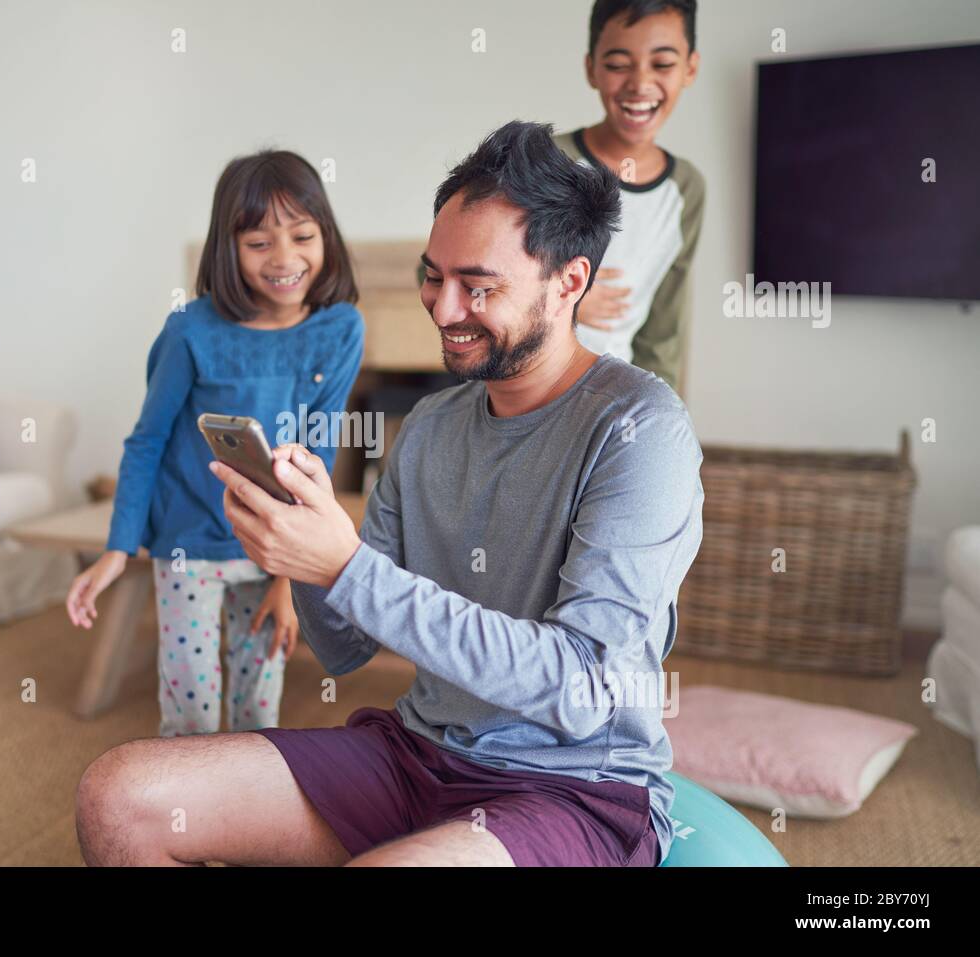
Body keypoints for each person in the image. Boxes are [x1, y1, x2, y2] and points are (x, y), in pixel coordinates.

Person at [75, 121, 703, 867]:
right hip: (416, 754)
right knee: (117, 798)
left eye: (479, 285)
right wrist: (301, 553)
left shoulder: (640, 429)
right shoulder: (431, 425)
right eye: (433, 276)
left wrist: (344, 566)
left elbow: (583, 687)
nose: (442, 309)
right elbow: (344, 648)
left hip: (569, 789)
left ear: (569, 281)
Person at [65, 149, 364, 738]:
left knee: (260, 715)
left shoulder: (341, 329)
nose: (284, 259)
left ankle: (247, 825)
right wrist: (119, 548)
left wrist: (291, 578)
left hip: (273, 547)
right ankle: (187, 824)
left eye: (301, 236)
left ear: (325, 236)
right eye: (259, 243)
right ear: (228, 248)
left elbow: (319, 454)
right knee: (192, 715)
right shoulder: (189, 331)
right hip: (190, 547)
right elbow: (146, 441)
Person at [563, 0, 704, 395]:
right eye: (617, 64)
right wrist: (559, 300)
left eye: (662, 64)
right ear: (591, 68)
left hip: (616, 402)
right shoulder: (546, 162)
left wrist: (665, 412)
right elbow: (454, 273)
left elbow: (663, 330)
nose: (640, 84)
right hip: (526, 399)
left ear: (690, 68)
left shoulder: (687, 189)